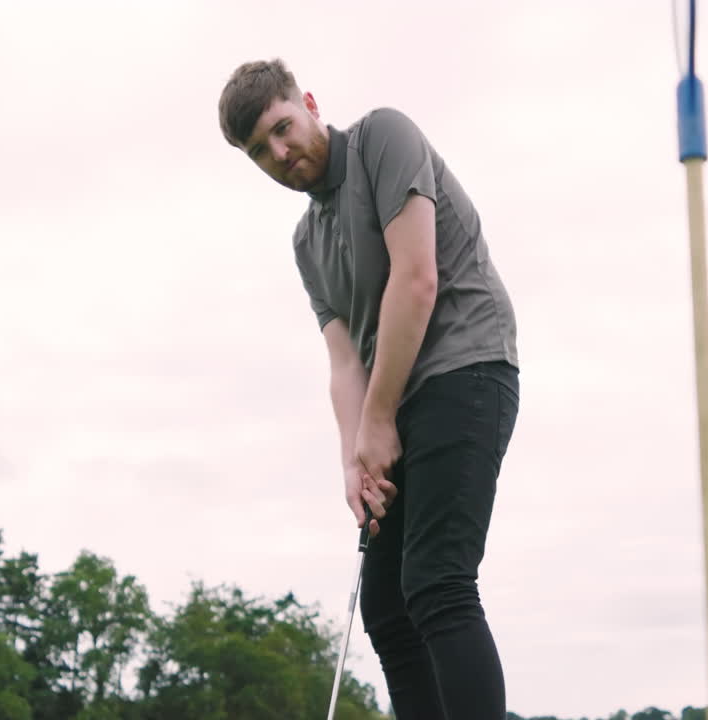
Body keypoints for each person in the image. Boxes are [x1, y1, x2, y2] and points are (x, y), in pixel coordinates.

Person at [218, 58, 520, 719]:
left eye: (282, 126)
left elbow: (417, 280)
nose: (279, 151)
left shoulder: (384, 137)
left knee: (437, 583)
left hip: (467, 369)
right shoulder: (307, 242)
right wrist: (356, 458)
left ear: (310, 103)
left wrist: (379, 423)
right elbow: (344, 363)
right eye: (259, 150)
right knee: (387, 607)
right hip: (398, 402)